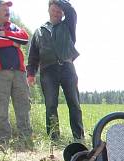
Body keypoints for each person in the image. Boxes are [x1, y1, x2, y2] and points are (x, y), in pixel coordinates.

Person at [26, 0, 83, 141]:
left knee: (74, 103)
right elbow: (33, 55)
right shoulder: (39, 31)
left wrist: (60, 2)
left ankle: (79, 137)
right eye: (54, 10)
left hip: (67, 68)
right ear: (49, 10)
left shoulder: (68, 25)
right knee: (51, 105)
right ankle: (54, 138)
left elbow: (71, 12)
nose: (57, 13)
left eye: (59, 11)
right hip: (47, 71)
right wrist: (31, 73)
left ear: (63, 12)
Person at [0, 0, 31, 145]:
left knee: (23, 104)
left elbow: (24, 37)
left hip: (19, 72)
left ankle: (25, 138)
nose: (7, 11)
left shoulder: (12, 26)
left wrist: (5, 33)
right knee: (0, 106)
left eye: (8, 8)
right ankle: (2, 140)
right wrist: (11, 42)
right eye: (4, 8)